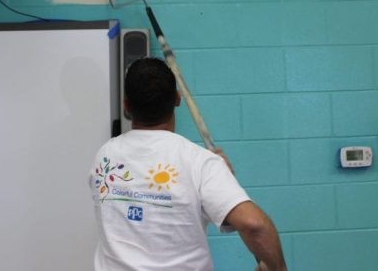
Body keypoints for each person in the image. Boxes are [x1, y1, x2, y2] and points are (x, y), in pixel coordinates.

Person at [89, 57, 287, 271]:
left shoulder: (105, 155)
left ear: (126, 106)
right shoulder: (199, 163)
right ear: (177, 98)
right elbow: (254, 225)